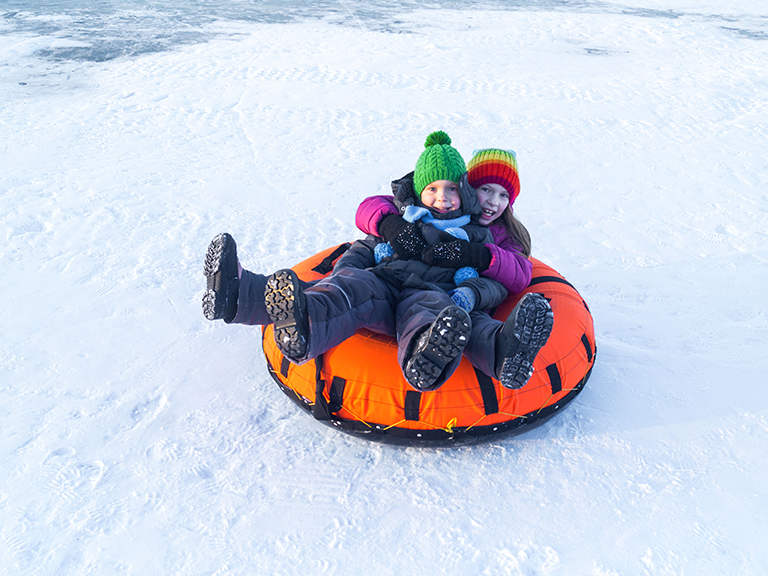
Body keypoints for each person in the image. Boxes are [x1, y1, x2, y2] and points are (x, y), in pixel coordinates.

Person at [354, 148, 553, 388]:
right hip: (418, 288)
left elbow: (520, 273)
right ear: (467, 189)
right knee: (425, 310)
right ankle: (427, 346)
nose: (493, 201)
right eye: (486, 190)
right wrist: (390, 223)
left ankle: (508, 352)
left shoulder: (505, 233)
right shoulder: (443, 207)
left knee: (473, 323)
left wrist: (479, 255)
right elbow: (371, 206)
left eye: (504, 195)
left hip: (470, 296)